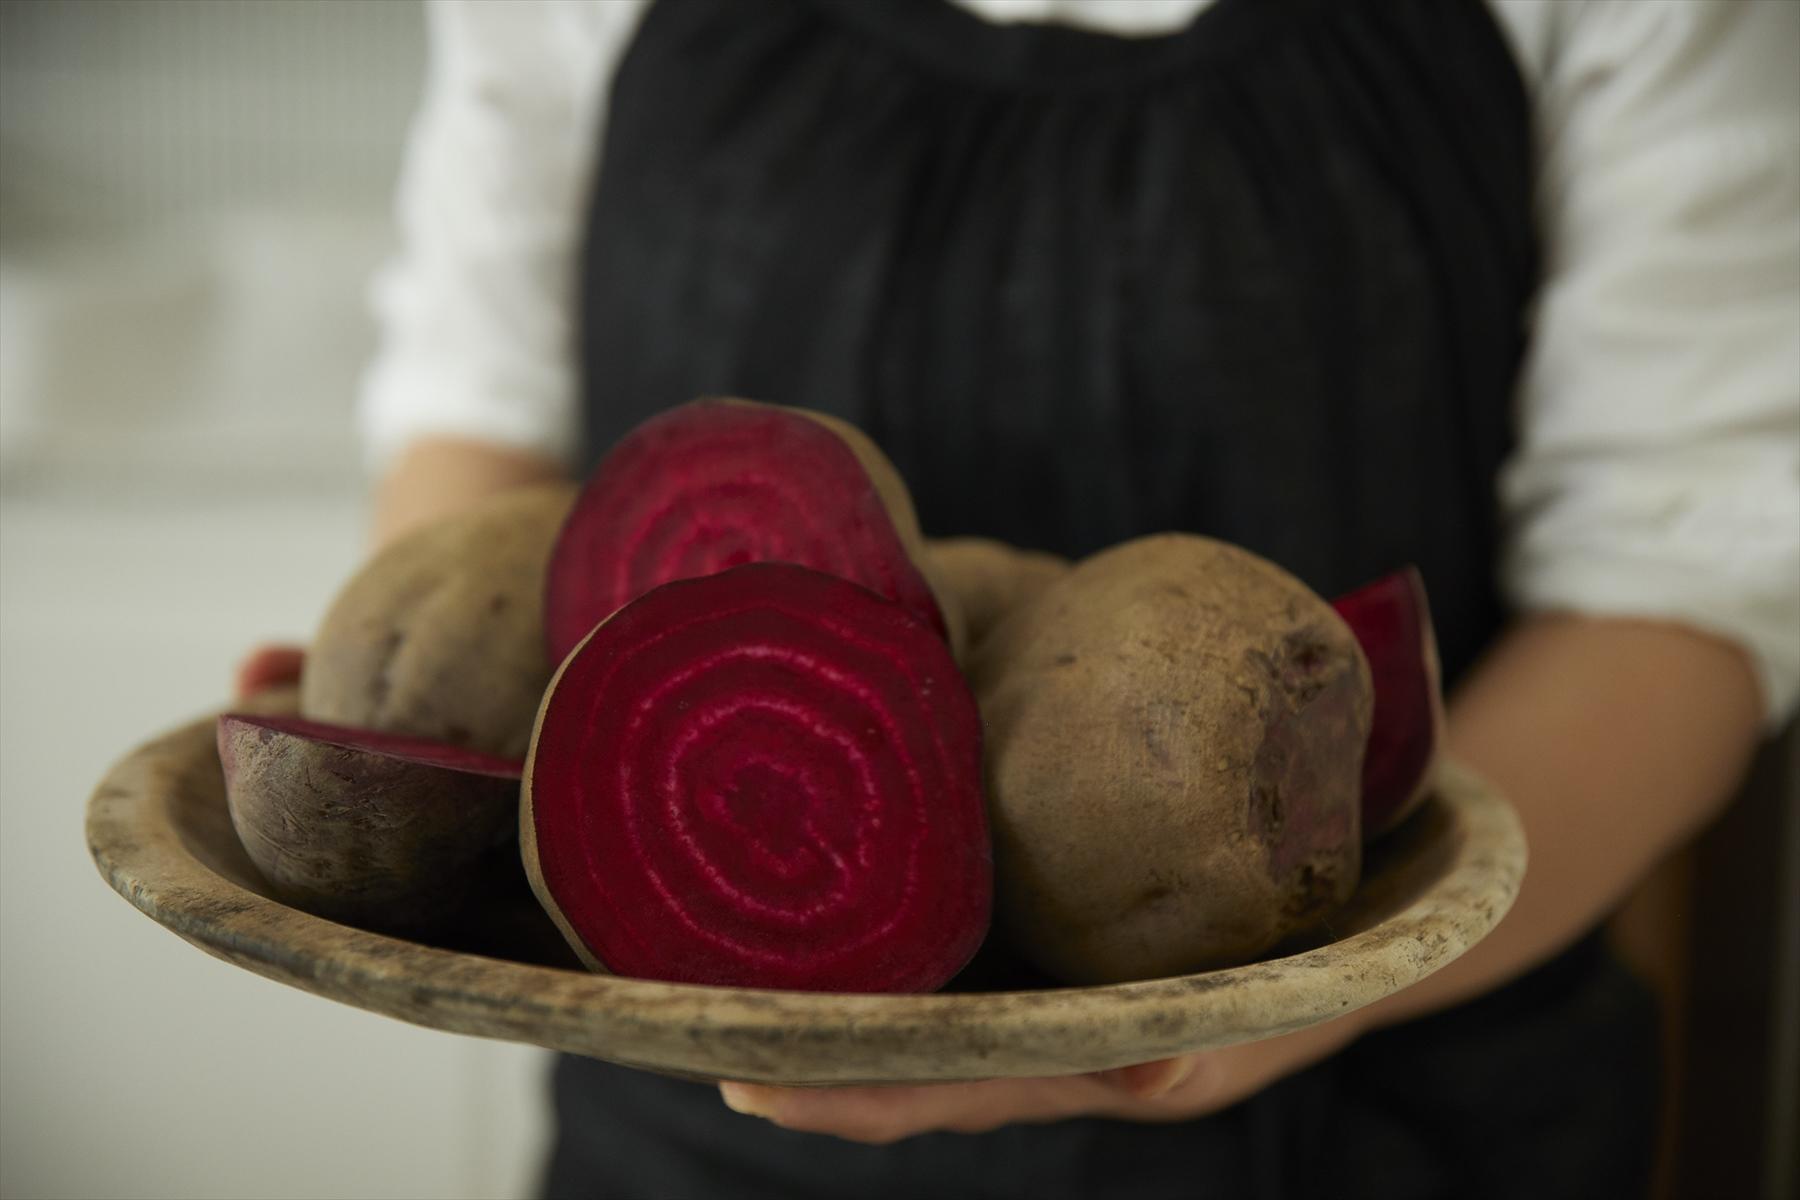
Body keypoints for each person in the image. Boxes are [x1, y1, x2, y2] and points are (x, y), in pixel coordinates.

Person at [244, 1, 1799, 1195]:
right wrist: (425, 755)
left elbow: (1683, 572)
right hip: (688, 1112)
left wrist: (1302, 997)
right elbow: (479, 404)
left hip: (1384, 1123)